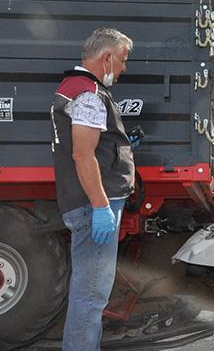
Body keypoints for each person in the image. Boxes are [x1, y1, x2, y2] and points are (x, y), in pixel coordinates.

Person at [51, 28, 135, 350]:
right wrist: (101, 206)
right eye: (123, 61)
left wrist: (118, 150)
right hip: (93, 205)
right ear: (108, 57)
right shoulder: (88, 94)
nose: (124, 68)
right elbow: (82, 155)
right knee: (91, 293)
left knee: (88, 290)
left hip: (83, 200)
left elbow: (90, 148)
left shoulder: (72, 88)